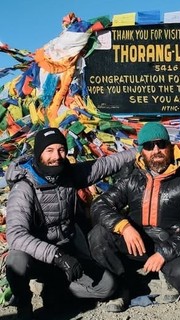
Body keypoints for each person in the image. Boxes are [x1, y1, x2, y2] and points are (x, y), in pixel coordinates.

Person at [5, 127, 136, 320]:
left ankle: (57, 289)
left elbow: (105, 164)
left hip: (68, 250)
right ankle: (24, 305)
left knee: (107, 287)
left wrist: (141, 149)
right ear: (39, 153)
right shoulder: (24, 188)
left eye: (60, 150)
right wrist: (56, 256)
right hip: (39, 256)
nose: (56, 156)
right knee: (16, 259)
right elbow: (16, 235)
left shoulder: (68, 174)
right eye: (49, 150)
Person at [88, 122, 180, 312]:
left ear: (169, 146)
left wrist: (164, 253)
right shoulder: (131, 175)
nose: (156, 150)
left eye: (161, 144)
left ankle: (168, 276)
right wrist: (123, 226)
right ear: (142, 150)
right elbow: (100, 205)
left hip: (169, 240)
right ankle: (121, 286)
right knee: (99, 235)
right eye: (149, 146)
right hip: (137, 240)